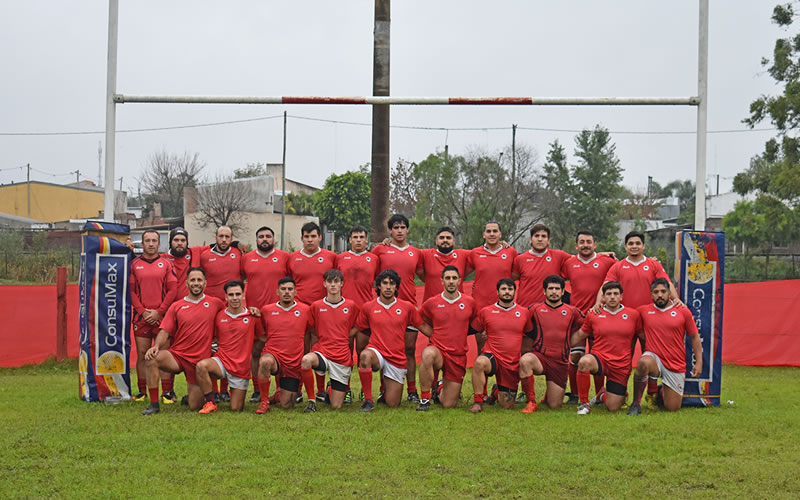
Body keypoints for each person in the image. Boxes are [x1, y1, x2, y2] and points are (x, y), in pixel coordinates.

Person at [593, 231, 681, 403]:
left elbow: (667, 283)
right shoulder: (618, 266)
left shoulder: (653, 264)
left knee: (652, 355)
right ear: (626, 246)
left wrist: (676, 299)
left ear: (643, 246)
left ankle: (652, 393)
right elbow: (605, 286)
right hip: (625, 319)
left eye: (637, 243)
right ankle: (621, 392)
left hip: (649, 319)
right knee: (623, 359)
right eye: (631, 244)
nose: (634, 246)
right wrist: (598, 303)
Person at [141, 267, 225, 415]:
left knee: (194, 405)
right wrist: (156, 346)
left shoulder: (215, 303)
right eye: (192, 280)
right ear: (186, 283)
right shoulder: (177, 306)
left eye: (199, 280)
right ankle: (154, 404)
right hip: (178, 356)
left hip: (199, 361)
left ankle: (192, 397)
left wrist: (251, 311)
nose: (196, 283)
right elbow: (165, 330)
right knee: (152, 358)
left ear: (205, 283)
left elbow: (230, 315)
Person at [628, 278, 702, 415]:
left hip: (675, 362)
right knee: (643, 362)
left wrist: (699, 362)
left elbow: (694, 337)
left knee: (672, 407)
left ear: (669, 293)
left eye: (663, 291)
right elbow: (623, 315)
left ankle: (659, 390)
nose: (660, 295)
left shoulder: (683, 311)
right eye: (656, 292)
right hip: (654, 358)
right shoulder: (643, 311)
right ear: (651, 294)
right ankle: (635, 404)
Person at [371, 214, 424, 403]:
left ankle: (412, 390)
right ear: (390, 230)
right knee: (384, 350)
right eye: (396, 227)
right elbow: (371, 273)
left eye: (402, 227)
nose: (399, 231)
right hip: (386, 308)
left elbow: (426, 274)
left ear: (407, 230)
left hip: (408, 307)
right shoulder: (380, 250)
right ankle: (383, 389)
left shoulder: (416, 252)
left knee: (409, 349)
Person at [355, 269, 425, 412]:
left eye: (392, 284)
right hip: (377, 352)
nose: (388, 287)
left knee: (393, 403)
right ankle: (368, 400)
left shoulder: (407, 307)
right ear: (379, 286)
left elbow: (422, 326)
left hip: (396, 357)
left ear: (396, 287)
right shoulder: (368, 307)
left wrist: (439, 337)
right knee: (365, 356)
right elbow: (358, 329)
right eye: (385, 283)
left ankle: (386, 390)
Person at [570, 281, 643, 415]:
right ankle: (584, 404)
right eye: (608, 294)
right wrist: (561, 346)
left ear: (621, 296)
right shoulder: (594, 314)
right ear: (603, 297)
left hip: (621, 364)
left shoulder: (633, 315)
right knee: (584, 362)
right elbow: (581, 334)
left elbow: (642, 336)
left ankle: (602, 394)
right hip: (600, 358)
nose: (612, 297)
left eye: (615, 294)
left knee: (613, 407)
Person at [561, 230, 616, 403]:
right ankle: (575, 394)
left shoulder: (607, 262)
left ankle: (599, 394)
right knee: (575, 357)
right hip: (577, 317)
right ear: (576, 245)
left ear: (595, 245)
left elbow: (625, 267)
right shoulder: (569, 263)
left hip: (599, 316)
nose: (585, 245)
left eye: (589, 242)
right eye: (582, 242)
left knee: (597, 356)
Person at [194, 280, 264, 413]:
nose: (235, 298)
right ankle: (210, 402)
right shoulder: (219, 316)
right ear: (226, 297)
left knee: (236, 408)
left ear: (243, 296)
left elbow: (262, 337)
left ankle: (234, 391)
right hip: (221, 360)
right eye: (231, 295)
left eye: (238, 294)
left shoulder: (252, 316)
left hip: (240, 367)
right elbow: (214, 337)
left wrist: (253, 351)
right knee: (201, 366)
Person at [518, 275, 584, 413]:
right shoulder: (534, 309)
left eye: (557, 289)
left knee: (554, 405)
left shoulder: (573, 312)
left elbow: (588, 326)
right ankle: (531, 401)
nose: (554, 292)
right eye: (551, 289)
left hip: (560, 362)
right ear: (544, 291)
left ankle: (550, 393)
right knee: (525, 360)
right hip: (540, 358)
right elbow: (519, 325)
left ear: (562, 291)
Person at [287, 221, 336, 402]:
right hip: (299, 311)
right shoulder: (292, 258)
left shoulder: (331, 257)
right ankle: (299, 390)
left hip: (322, 310)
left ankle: (321, 390)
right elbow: (288, 283)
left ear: (320, 237)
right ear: (301, 238)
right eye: (306, 237)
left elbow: (336, 280)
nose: (310, 240)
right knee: (300, 349)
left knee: (318, 349)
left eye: (313, 236)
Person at [240, 225, 290, 403]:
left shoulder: (285, 257)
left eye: (268, 236)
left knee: (281, 352)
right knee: (256, 352)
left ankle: (279, 390)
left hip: (279, 313)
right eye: (261, 236)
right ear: (256, 240)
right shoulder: (246, 258)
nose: (265, 239)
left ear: (273, 239)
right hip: (255, 314)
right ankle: (257, 390)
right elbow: (239, 282)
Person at [195, 225, 245, 401]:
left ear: (232, 239)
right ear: (215, 237)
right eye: (221, 236)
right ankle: (214, 390)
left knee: (229, 347)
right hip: (211, 308)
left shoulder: (239, 254)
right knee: (210, 346)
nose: (224, 240)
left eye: (227, 237)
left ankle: (225, 390)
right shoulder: (204, 255)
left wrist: (239, 244)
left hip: (232, 308)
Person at [417, 265, 477, 410]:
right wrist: (432, 334)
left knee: (449, 404)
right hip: (438, 350)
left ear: (459, 281)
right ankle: (425, 399)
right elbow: (418, 319)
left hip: (458, 355)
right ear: (442, 281)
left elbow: (476, 323)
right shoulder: (432, 302)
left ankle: (439, 387)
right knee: (428, 354)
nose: (451, 281)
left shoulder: (469, 302)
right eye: (447, 278)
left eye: (454, 278)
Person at [469, 278, 534, 413]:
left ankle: (496, 391)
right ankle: (478, 401)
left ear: (515, 292)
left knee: (507, 405)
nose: (507, 292)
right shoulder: (486, 311)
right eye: (503, 289)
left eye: (510, 289)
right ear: (497, 292)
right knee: (480, 362)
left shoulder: (524, 312)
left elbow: (531, 334)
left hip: (511, 362)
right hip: (492, 355)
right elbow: (472, 328)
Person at [301, 269, 361, 411]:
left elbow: (358, 325)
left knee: (336, 406)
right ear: (324, 284)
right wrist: (324, 335)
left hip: (342, 356)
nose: (333, 285)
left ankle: (330, 389)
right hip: (323, 352)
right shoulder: (316, 306)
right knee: (306, 360)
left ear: (342, 284)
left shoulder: (351, 306)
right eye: (329, 281)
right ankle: (312, 401)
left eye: (336, 281)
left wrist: (345, 335)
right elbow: (311, 327)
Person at [130, 230, 178, 404]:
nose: (151, 244)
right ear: (142, 243)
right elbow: (131, 291)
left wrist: (160, 311)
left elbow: (173, 289)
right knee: (142, 354)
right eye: (147, 240)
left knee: (163, 354)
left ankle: (166, 392)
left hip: (162, 318)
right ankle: (142, 391)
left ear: (159, 244)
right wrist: (143, 311)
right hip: (141, 318)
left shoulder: (167, 264)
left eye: (154, 241)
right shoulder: (134, 264)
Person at [255, 277, 313, 413]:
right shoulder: (267, 310)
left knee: (287, 405)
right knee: (265, 361)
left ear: (295, 292)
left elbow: (310, 332)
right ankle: (264, 402)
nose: (286, 292)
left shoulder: (305, 310)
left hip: (293, 361)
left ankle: (278, 395)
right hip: (274, 355)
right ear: (277, 292)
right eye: (283, 289)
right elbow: (261, 333)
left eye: (290, 289)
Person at [512, 224, 570, 308]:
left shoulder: (560, 256)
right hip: (525, 308)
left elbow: (579, 261)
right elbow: (513, 278)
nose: (540, 239)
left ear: (548, 240)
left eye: (543, 236)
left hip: (550, 309)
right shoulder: (520, 259)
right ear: (530, 239)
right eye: (536, 236)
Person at [418, 227, 468, 303]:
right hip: (432, 307)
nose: (445, 240)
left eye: (448, 238)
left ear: (454, 241)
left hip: (457, 305)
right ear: (436, 241)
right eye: (442, 238)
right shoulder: (425, 254)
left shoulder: (463, 255)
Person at [161, 227, 192, 299]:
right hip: (167, 302)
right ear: (170, 242)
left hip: (188, 303)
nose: (179, 243)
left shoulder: (194, 253)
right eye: (176, 240)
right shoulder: (161, 258)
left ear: (187, 243)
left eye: (183, 240)